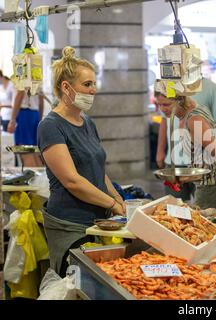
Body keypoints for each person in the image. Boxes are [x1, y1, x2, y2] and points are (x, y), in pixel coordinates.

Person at [37, 46, 125, 277]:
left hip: (98, 220)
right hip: (70, 223)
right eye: (87, 85)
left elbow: (97, 168)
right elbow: (72, 181)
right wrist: (112, 204)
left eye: (94, 84)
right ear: (66, 87)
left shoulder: (87, 123)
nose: (93, 90)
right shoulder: (50, 126)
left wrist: (118, 199)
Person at [154, 84, 216, 212]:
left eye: (166, 104)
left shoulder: (194, 119)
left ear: (179, 100)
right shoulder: (193, 109)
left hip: (213, 185)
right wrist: (185, 178)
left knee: (207, 227)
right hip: (205, 182)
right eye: (159, 105)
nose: (162, 109)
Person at [156, 78, 216, 202]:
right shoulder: (168, 86)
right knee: (174, 207)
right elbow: (164, 121)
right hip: (174, 160)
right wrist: (160, 151)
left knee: (203, 208)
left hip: (200, 164)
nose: (163, 108)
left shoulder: (210, 88)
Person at [7, 83, 44, 166]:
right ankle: (40, 178)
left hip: (24, 114)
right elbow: (41, 99)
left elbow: (20, 94)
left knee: (25, 152)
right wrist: (40, 119)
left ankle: (31, 178)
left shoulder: (22, 70)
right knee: (35, 152)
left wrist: (12, 119)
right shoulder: (36, 71)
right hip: (35, 114)